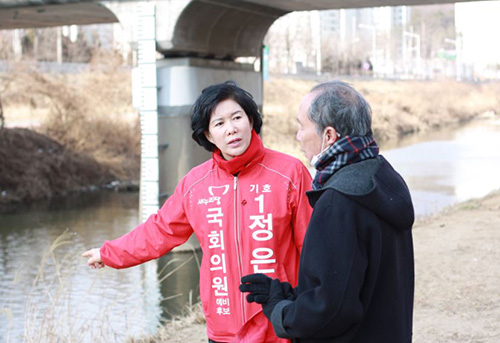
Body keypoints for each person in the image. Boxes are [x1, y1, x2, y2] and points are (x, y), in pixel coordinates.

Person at [82, 81, 313, 343]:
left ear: (251, 120)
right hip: (224, 326)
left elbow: (312, 247)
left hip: (280, 322)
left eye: (237, 118)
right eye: (219, 124)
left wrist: (313, 308)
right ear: (208, 135)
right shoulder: (196, 185)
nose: (231, 129)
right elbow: (160, 230)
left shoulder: (289, 173)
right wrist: (110, 253)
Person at [240, 80, 415, 343]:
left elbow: (330, 310)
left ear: (329, 136)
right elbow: (352, 283)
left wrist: (280, 312)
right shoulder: (382, 175)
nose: (298, 135)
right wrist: (289, 295)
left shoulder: (339, 201)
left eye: (302, 126)